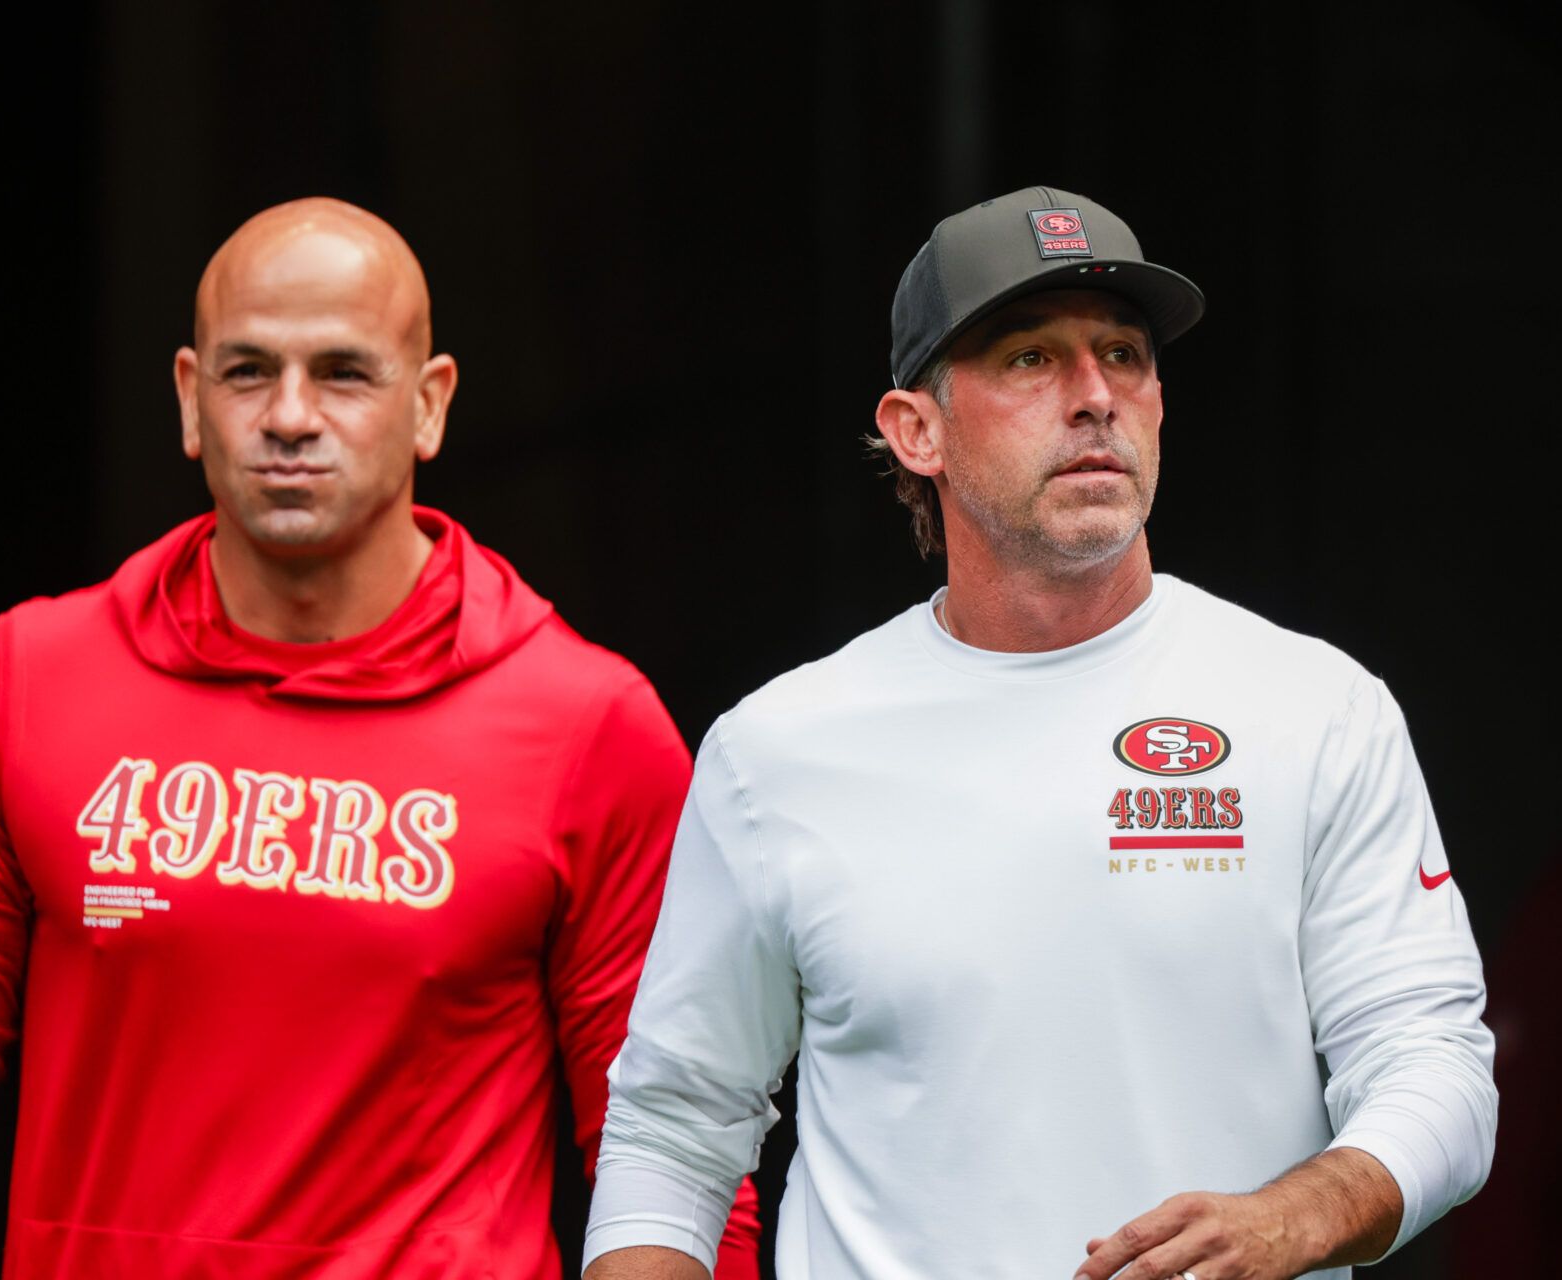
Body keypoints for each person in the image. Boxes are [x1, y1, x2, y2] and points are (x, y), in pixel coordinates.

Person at [0, 198, 757, 1279]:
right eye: (249, 373)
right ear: (191, 401)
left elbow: (668, 1148)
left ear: (428, 406)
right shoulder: (31, 680)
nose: (290, 415)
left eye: (343, 372)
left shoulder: (587, 725)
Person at [581, 186, 1495, 1280]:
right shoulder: (776, 751)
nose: (1095, 396)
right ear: (917, 430)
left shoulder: (1315, 707)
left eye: (1124, 354)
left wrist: (1291, 1216)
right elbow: (672, 1131)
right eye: (1029, 357)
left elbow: (1435, 1064)